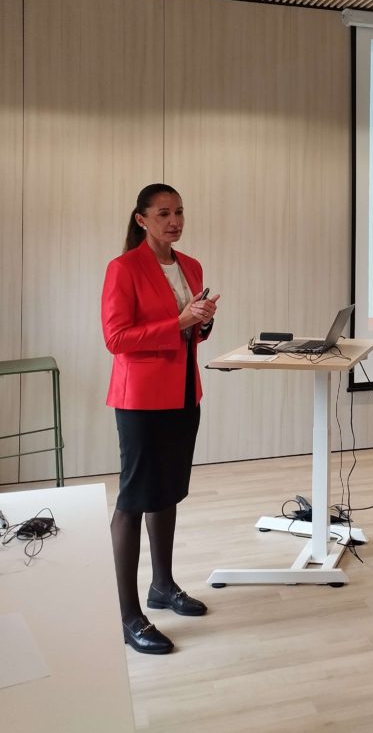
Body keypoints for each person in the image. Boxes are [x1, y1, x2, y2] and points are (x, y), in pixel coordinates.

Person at [101, 183, 220, 655]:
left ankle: (163, 586)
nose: (175, 221)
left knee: (167, 490)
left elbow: (193, 334)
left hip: (184, 392)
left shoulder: (190, 265)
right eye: (164, 213)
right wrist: (180, 322)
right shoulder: (124, 268)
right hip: (140, 399)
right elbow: (116, 338)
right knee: (134, 500)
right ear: (141, 219)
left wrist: (203, 321)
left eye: (179, 212)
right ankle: (129, 616)